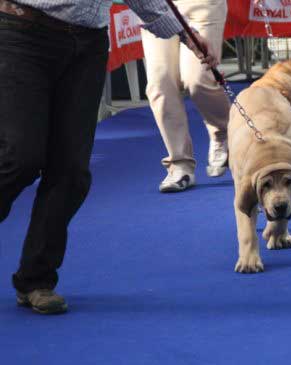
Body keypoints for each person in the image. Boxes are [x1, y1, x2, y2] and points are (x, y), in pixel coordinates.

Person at [0, 0, 217, 315]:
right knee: (20, 157)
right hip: (21, 32)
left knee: (71, 171)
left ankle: (36, 280)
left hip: (88, 45)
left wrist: (187, 35)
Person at [142, 0, 230, 193]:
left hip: (202, 5)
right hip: (155, 7)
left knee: (197, 78)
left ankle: (223, 131)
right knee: (160, 84)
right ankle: (179, 164)